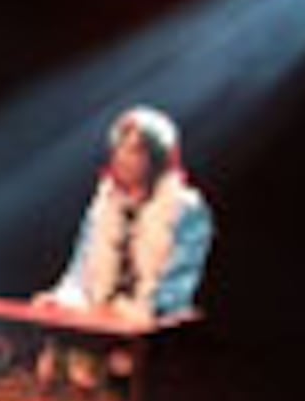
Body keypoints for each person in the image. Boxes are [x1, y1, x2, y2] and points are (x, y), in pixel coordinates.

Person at [41, 104, 214, 321]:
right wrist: (61, 300)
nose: (122, 158)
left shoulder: (186, 210)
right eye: (120, 148)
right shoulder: (104, 204)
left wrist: (126, 314)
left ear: (155, 160)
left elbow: (176, 288)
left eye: (135, 151)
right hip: (97, 321)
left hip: (152, 329)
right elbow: (80, 274)